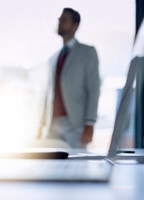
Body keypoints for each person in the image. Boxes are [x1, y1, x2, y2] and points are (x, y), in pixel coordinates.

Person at [38, 8, 100, 148]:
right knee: (50, 166)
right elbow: (48, 94)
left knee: (77, 167)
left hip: (75, 124)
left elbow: (94, 89)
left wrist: (90, 124)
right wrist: (41, 125)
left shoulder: (87, 52)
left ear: (74, 26)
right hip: (52, 125)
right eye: (59, 19)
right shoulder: (53, 58)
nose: (59, 22)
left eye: (64, 20)